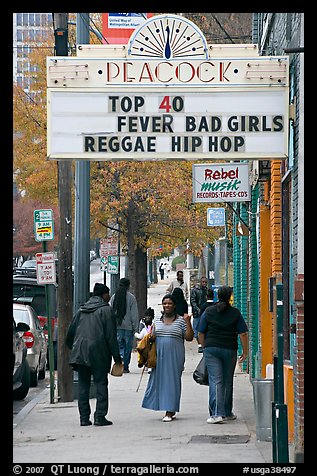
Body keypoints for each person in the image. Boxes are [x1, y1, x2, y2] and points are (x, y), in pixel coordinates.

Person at [65, 283, 122, 427]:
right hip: (99, 352)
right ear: (103, 295)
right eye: (108, 294)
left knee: (84, 384)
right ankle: (99, 416)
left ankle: (84, 418)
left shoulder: (81, 310)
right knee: (101, 383)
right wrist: (117, 357)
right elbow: (111, 337)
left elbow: (70, 333)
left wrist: (74, 347)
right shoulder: (106, 311)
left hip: (81, 351)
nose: (109, 297)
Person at [198, 285, 248, 424]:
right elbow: (243, 333)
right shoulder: (235, 313)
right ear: (230, 297)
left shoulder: (209, 311)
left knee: (216, 380)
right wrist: (245, 351)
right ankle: (227, 412)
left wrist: (204, 347)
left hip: (212, 348)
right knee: (227, 380)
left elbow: (201, 332)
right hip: (229, 349)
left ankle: (216, 414)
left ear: (217, 296)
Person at [141, 293, 194, 422]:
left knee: (172, 381)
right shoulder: (158, 319)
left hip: (175, 355)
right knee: (159, 381)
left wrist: (188, 322)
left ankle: (170, 411)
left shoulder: (181, 320)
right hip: (159, 355)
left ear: (174, 305)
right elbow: (152, 335)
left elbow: (189, 337)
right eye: (164, 303)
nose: (167, 306)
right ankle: (164, 406)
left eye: (169, 303)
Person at [109, 277, 139, 374]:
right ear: (128, 286)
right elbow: (134, 314)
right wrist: (135, 327)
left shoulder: (114, 296)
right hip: (128, 327)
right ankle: (125, 366)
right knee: (127, 347)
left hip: (117, 326)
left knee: (119, 346)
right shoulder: (131, 297)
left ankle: (119, 360)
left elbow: (110, 310)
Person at [190, 276, 208, 352]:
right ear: (200, 282)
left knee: (204, 329)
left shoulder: (207, 290)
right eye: (203, 282)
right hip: (197, 313)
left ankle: (203, 344)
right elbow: (193, 301)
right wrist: (198, 309)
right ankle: (200, 345)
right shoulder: (195, 290)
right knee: (197, 329)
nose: (204, 283)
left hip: (205, 312)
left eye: (205, 282)